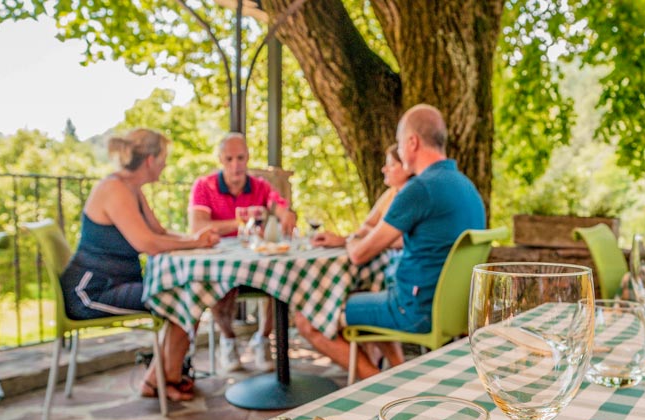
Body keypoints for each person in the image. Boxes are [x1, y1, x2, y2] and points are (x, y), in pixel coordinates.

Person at [294, 104, 486, 380]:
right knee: (371, 293)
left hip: (413, 310)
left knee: (308, 317)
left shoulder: (419, 189)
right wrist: (350, 239)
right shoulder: (466, 187)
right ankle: (396, 373)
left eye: (399, 143)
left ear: (412, 142)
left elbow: (359, 253)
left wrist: (351, 239)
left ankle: (386, 386)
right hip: (454, 311)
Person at [60, 128, 220, 401]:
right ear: (150, 160)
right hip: (91, 291)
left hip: (118, 284)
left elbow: (160, 232)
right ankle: (160, 379)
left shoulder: (132, 189)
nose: (166, 164)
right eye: (164, 158)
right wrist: (195, 244)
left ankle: (160, 379)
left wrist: (197, 238)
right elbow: (148, 243)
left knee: (187, 297)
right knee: (182, 299)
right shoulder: (114, 189)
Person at [189, 133, 297, 372]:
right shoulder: (204, 186)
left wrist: (285, 214)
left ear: (248, 157)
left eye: (240, 158)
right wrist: (239, 222)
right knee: (216, 286)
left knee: (280, 277)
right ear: (220, 159)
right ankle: (228, 340)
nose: (235, 165)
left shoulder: (259, 186)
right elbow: (198, 227)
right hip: (222, 265)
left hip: (256, 262)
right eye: (229, 159)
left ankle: (262, 338)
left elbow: (278, 205)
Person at [311, 143, 411, 248]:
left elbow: (401, 241)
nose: (384, 169)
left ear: (407, 167)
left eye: (392, 165)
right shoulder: (391, 193)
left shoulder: (413, 197)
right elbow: (367, 225)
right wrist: (344, 240)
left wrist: (350, 240)